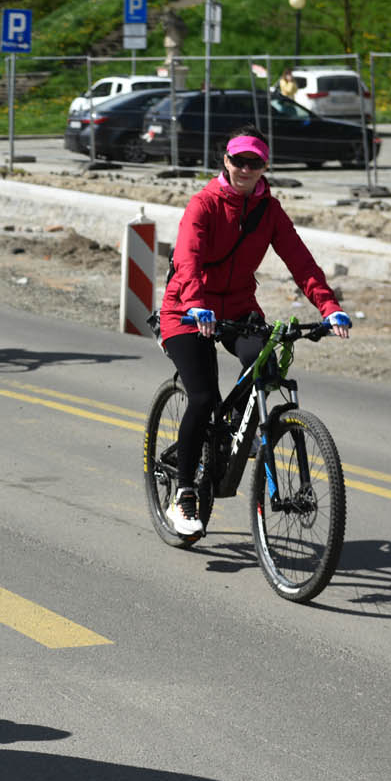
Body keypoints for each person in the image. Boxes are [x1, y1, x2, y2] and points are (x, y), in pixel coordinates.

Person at [157, 126, 351, 537]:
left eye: (255, 162)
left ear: (265, 166)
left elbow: (302, 263)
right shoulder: (203, 204)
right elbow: (188, 258)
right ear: (225, 160)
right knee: (203, 395)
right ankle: (186, 492)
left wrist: (329, 307)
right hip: (188, 311)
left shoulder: (270, 211)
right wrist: (195, 302)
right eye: (238, 160)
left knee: (262, 367)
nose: (245, 168)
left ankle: (227, 434)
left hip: (239, 308)